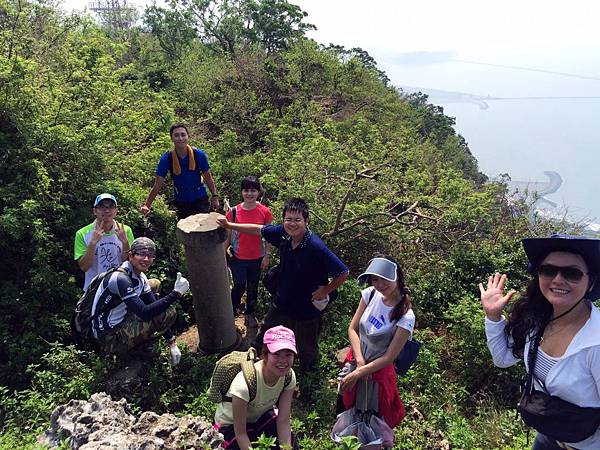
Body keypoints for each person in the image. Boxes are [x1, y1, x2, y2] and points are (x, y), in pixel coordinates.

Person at [480, 234, 600, 450]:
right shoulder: (538, 319)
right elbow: (502, 358)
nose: (557, 280)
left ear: (591, 283)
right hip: (547, 437)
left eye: (572, 273)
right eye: (548, 270)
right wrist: (493, 316)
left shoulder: (596, 343)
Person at [217, 198, 349, 374]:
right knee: (265, 333)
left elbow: (343, 272)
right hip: (283, 301)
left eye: (297, 220)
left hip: (306, 308)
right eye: (288, 219)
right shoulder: (283, 234)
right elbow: (258, 230)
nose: (292, 224)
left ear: (306, 221)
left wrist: (326, 290)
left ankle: (309, 378)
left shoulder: (315, 246)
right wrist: (230, 225)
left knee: (306, 346)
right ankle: (253, 362)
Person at [338, 256, 414, 428]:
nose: (380, 284)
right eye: (375, 279)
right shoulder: (370, 294)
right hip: (355, 362)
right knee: (347, 410)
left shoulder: (405, 316)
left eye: (385, 278)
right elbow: (353, 329)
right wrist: (359, 363)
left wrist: (360, 371)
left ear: (397, 277)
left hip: (377, 376)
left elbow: (389, 357)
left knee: (370, 420)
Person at [91, 237, 189, 365]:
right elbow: (145, 313)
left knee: (154, 284)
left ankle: (140, 341)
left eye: (150, 255)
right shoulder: (121, 279)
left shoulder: (140, 277)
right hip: (109, 338)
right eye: (141, 254)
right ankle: (132, 349)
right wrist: (176, 293)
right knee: (168, 312)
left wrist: (171, 342)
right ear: (130, 255)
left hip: (121, 320)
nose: (146, 259)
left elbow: (152, 303)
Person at [214, 325, 297, 450]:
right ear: (265, 354)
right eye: (276, 354)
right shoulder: (244, 384)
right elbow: (241, 433)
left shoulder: (288, 376)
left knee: (291, 443)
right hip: (231, 426)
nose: (283, 361)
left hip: (258, 418)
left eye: (288, 355)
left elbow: (283, 420)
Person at [140, 123, 219, 220]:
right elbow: (157, 185)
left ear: (187, 136)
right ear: (172, 138)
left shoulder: (198, 154)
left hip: (200, 199)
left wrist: (214, 196)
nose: (180, 138)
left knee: (202, 230)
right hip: (182, 201)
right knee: (186, 231)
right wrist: (147, 205)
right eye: (176, 135)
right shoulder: (167, 158)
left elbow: (208, 177)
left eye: (183, 134)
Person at [223, 176, 273, 327]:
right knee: (238, 285)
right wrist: (222, 253)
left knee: (253, 286)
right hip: (238, 257)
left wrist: (267, 256)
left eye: (253, 190)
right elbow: (228, 235)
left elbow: (269, 236)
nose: (249, 194)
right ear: (241, 192)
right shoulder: (233, 212)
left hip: (257, 257)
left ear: (258, 192)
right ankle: (231, 311)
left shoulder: (265, 212)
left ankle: (249, 313)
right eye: (246, 190)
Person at [74, 193, 134, 290]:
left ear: (116, 211)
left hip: (120, 287)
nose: (107, 210)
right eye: (102, 206)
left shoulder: (125, 230)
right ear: (94, 211)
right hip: (94, 289)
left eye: (111, 206)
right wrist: (93, 243)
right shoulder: (83, 233)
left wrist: (125, 243)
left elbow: (128, 263)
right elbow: (84, 267)